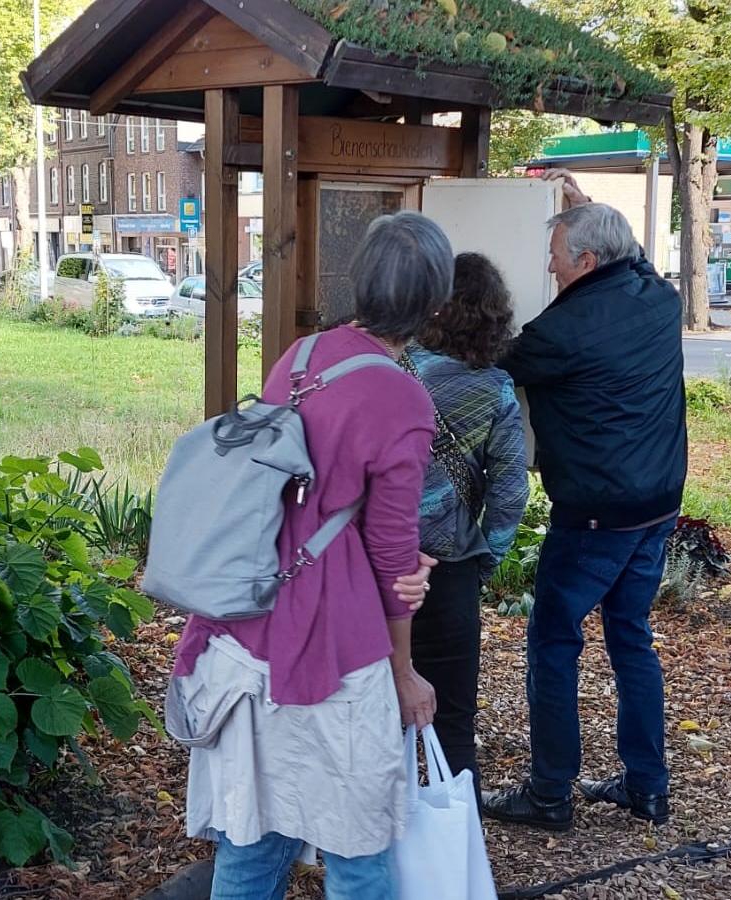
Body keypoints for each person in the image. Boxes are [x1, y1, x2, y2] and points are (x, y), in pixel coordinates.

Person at [167, 211, 450, 900]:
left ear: (359, 282)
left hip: (250, 612)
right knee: (357, 848)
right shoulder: (404, 399)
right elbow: (390, 554)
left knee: (256, 836)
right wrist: (405, 672)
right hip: (334, 640)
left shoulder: (300, 356)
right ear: (433, 305)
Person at [481, 171, 687, 832]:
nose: (549, 266)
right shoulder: (659, 298)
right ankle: (647, 787)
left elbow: (496, 359)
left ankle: (549, 795)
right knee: (631, 638)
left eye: (558, 255)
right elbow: (640, 258)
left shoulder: (560, 334)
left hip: (596, 513)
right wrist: (583, 208)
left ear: (588, 261)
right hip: (657, 504)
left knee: (552, 639)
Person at [403, 252, 530, 797]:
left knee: (374, 710)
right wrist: (488, 557)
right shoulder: (496, 389)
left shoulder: (395, 367)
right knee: (452, 717)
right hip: (450, 568)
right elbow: (509, 491)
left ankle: (369, 852)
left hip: (378, 564)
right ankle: (458, 857)